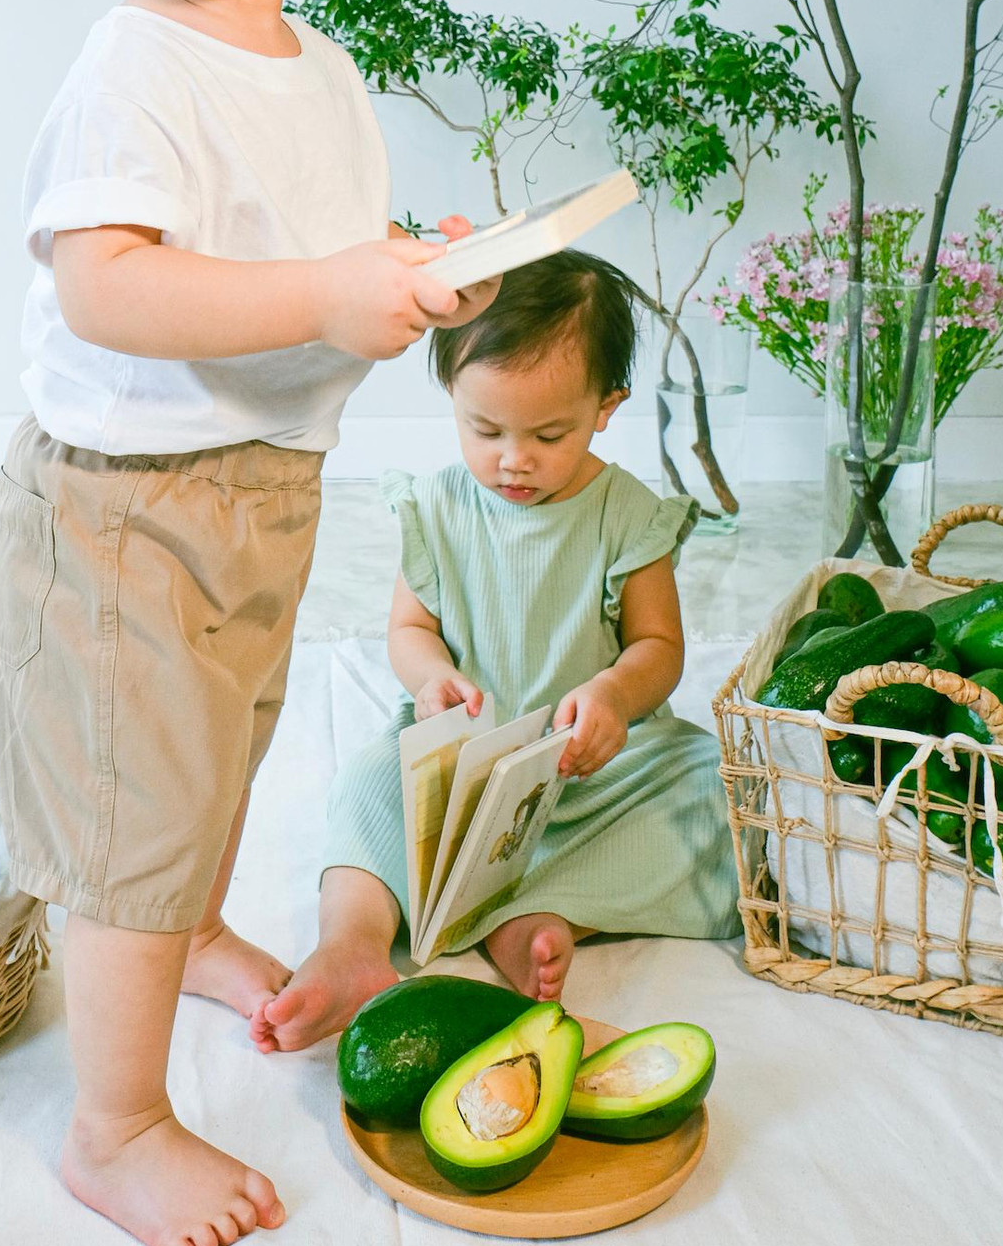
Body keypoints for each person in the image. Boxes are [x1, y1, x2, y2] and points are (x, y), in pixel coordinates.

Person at [0, 0, 498, 1246]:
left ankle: (190, 923)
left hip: (261, 490)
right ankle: (114, 1123)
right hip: (125, 506)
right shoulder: (133, 66)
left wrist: (403, 276)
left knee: (217, 754)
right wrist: (327, 293)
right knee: (135, 799)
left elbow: (300, 265)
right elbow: (109, 287)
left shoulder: (318, 71)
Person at [253, 249, 740, 1052]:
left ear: (606, 407)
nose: (514, 457)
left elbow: (660, 645)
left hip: (594, 773)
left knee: (710, 796)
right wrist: (431, 677)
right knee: (368, 786)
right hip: (464, 769)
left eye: (549, 434)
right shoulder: (440, 505)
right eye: (484, 429)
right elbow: (409, 630)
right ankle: (352, 943)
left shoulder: (626, 513)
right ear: (452, 393)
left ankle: (539, 914)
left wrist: (615, 696)